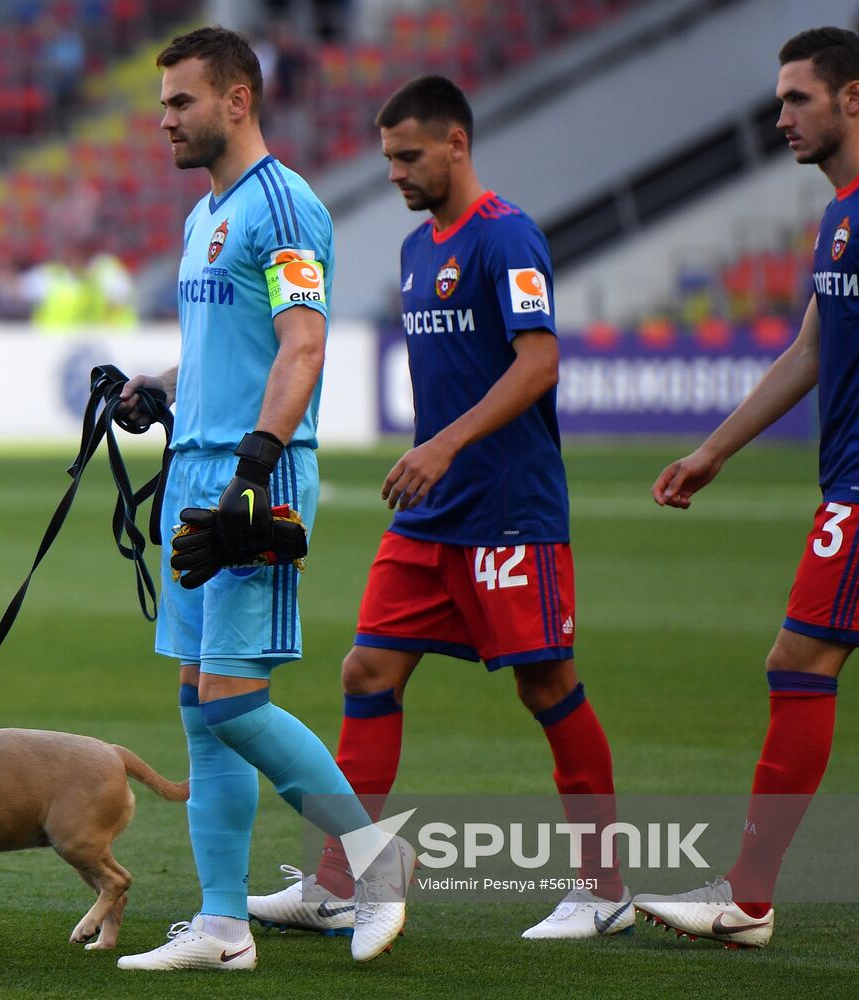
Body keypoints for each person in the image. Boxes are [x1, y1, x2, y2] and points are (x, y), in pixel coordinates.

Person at [246, 74, 631, 941]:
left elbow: (538, 364)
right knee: (365, 672)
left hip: (507, 509)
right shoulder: (418, 249)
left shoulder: (508, 237)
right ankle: (339, 880)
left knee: (547, 685)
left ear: (456, 145)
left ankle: (603, 888)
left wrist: (443, 444)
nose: (394, 172)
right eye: (387, 158)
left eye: (408, 155)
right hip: (430, 513)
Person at [635, 26, 859, 949]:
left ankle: (746, 899)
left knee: (796, 662)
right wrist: (712, 451)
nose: (780, 117)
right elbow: (808, 349)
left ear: (852, 99)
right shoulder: (844, 210)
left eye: (796, 99)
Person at [113, 26, 412, 972]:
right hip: (200, 470)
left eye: (180, 102)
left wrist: (253, 467)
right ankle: (221, 926)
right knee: (201, 706)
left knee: (237, 704)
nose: (164, 119)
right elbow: (223, 351)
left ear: (236, 101)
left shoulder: (283, 207)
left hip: (254, 476)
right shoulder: (207, 213)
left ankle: (377, 863)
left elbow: (303, 346)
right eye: (162, 103)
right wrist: (152, 386)